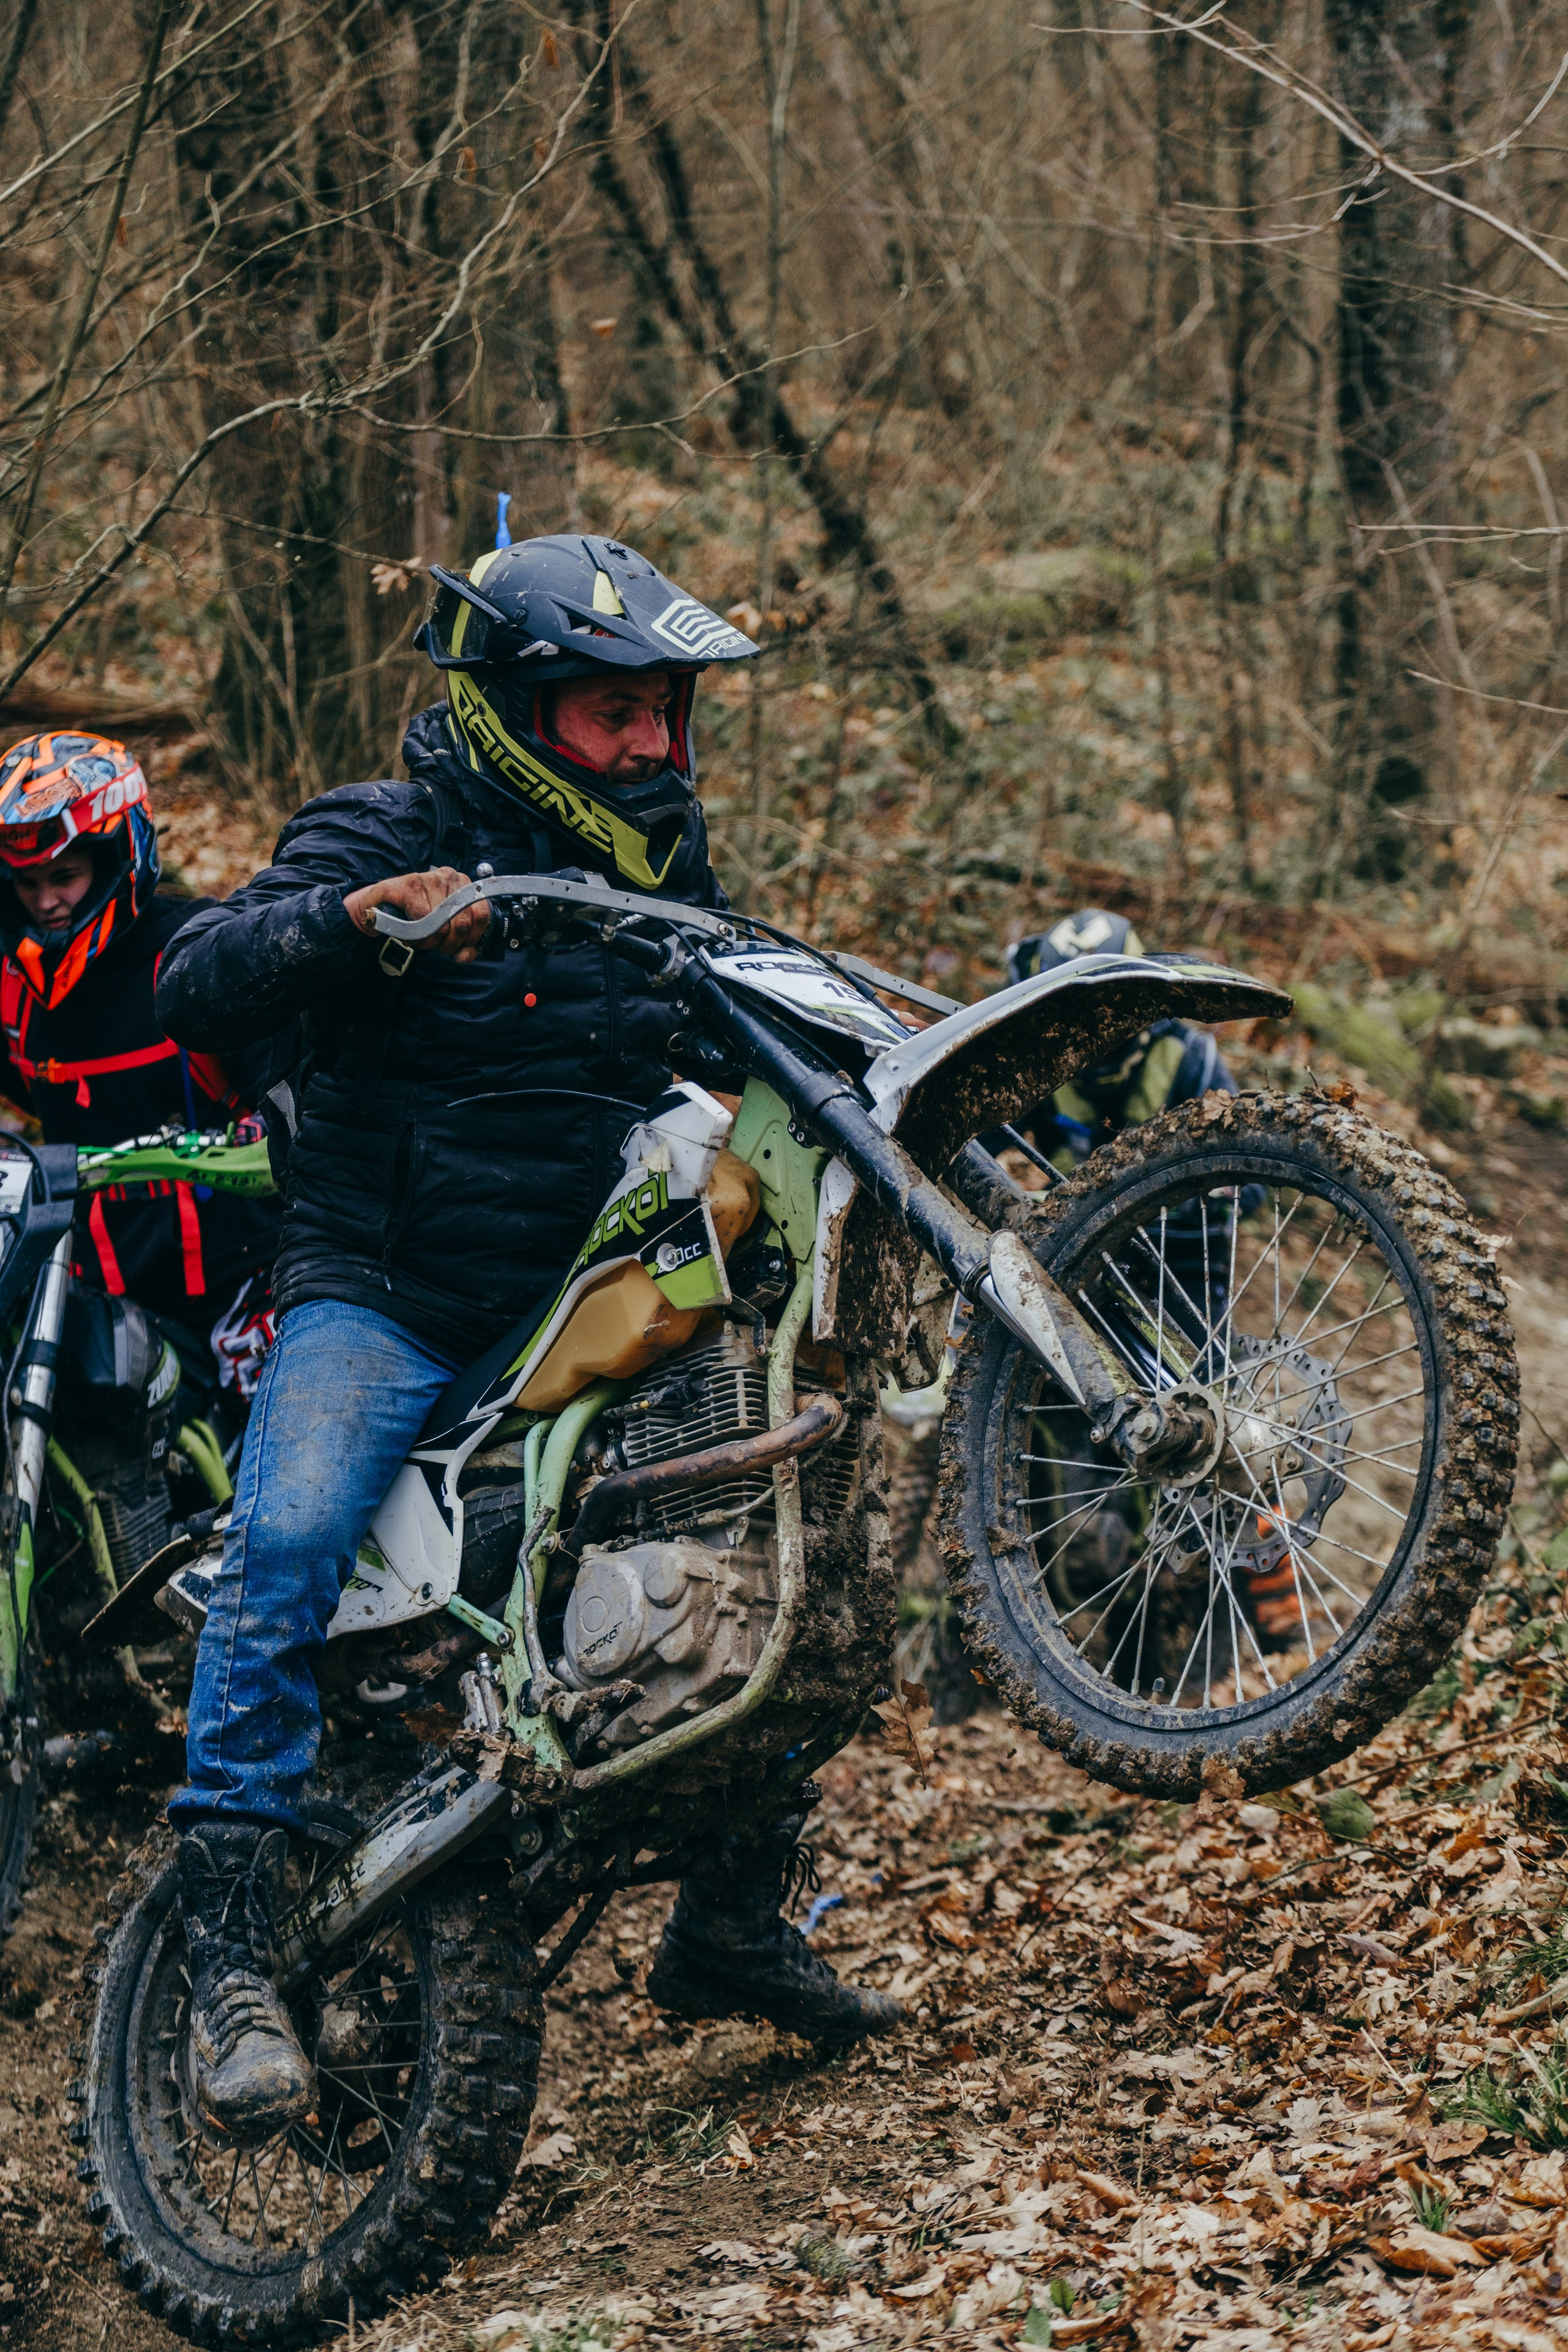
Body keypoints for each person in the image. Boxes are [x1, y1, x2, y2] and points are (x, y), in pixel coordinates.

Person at [156, 535, 899, 2143]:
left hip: (590, 1285)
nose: (651, 745)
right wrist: (358, 925)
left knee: (790, 1509)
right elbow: (195, 975)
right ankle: (220, 1946)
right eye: (614, 713)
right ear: (515, 708)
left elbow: (738, 1012)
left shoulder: (657, 863)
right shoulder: (391, 827)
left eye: (667, 715)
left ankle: (731, 1916)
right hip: (388, 1290)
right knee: (285, 1535)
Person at [0, 733, 281, 1428]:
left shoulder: (195, 958)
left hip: (240, 1286)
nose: (48, 903)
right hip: (94, 1292)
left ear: (118, 855)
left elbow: (297, 1105)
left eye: (65, 876)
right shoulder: (15, 992)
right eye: (28, 885)